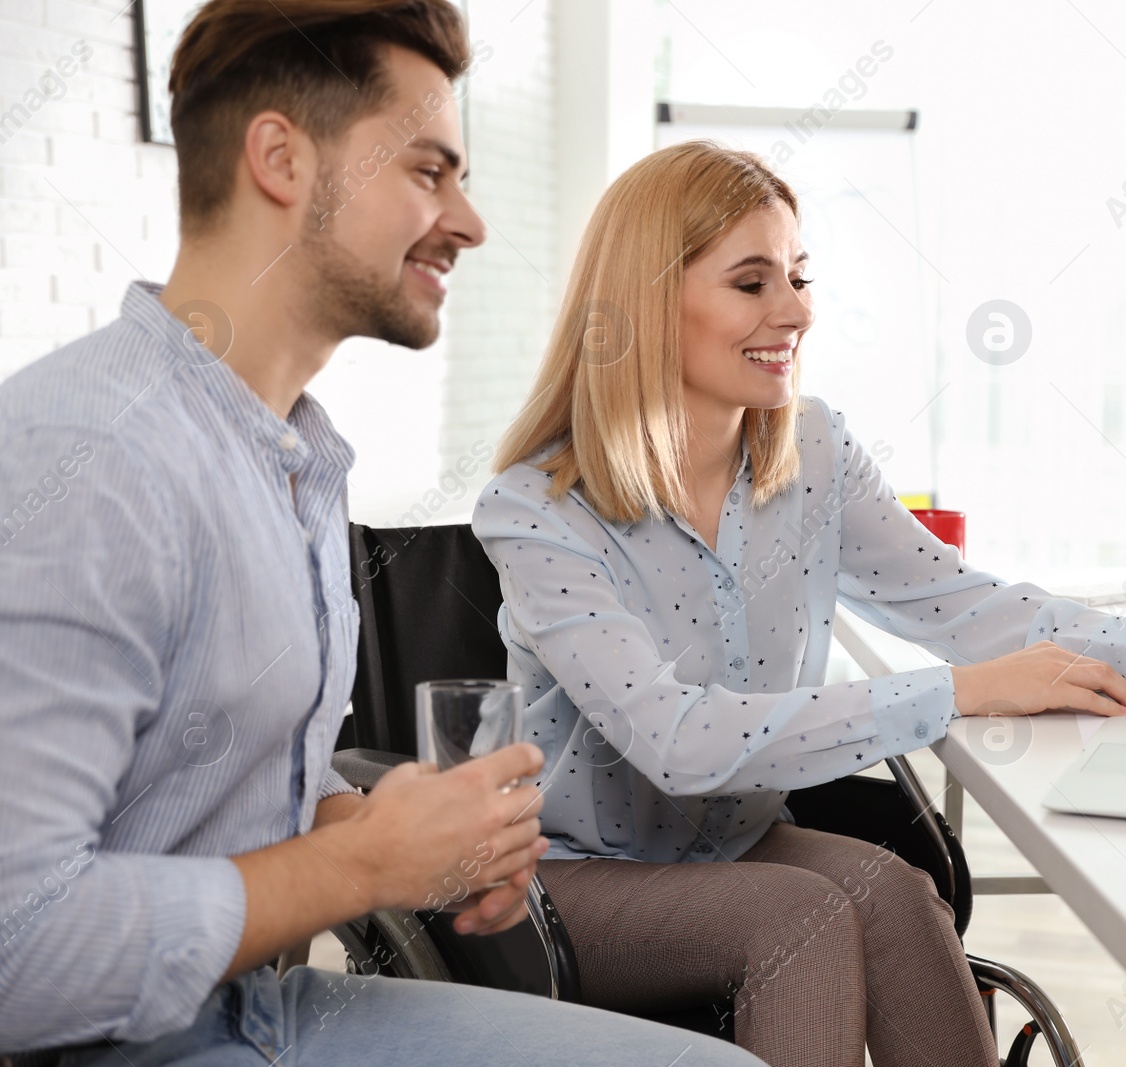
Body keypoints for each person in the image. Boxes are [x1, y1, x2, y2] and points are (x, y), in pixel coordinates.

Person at [473, 139, 1126, 1066]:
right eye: (752, 282)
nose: (796, 311)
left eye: (798, 274)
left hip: (734, 849)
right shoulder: (538, 510)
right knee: (804, 916)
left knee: (896, 893)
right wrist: (960, 691)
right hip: (569, 882)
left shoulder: (812, 452)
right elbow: (679, 741)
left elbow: (969, 607)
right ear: (647, 306)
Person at [0, 5, 759, 1066]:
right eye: (428, 172)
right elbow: (16, 948)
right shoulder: (85, 456)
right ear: (282, 159)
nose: (469, 220)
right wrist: (361, 870)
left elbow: (202, 769)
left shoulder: (297, 459)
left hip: (255, 1007)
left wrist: (384, 828)